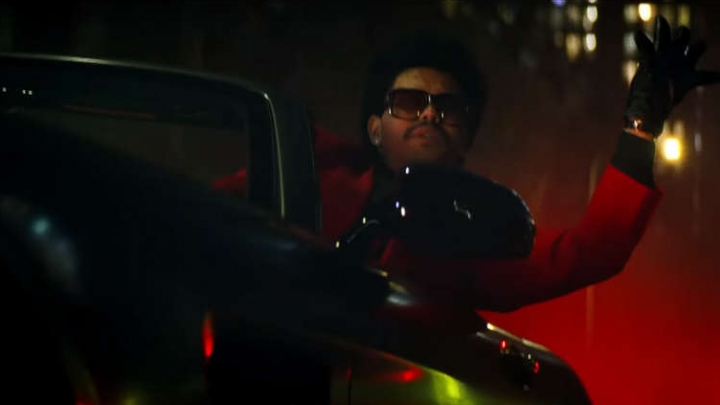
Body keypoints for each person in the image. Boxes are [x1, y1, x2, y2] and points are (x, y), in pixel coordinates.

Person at [214, 17, 719, 312]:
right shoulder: (304, 175)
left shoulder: (475, 234)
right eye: (409, 102)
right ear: (374, 128)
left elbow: (589, 252)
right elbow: (201, 217)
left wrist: (640, 127)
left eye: (448, 108)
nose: (429, 114)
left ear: (467, 137)